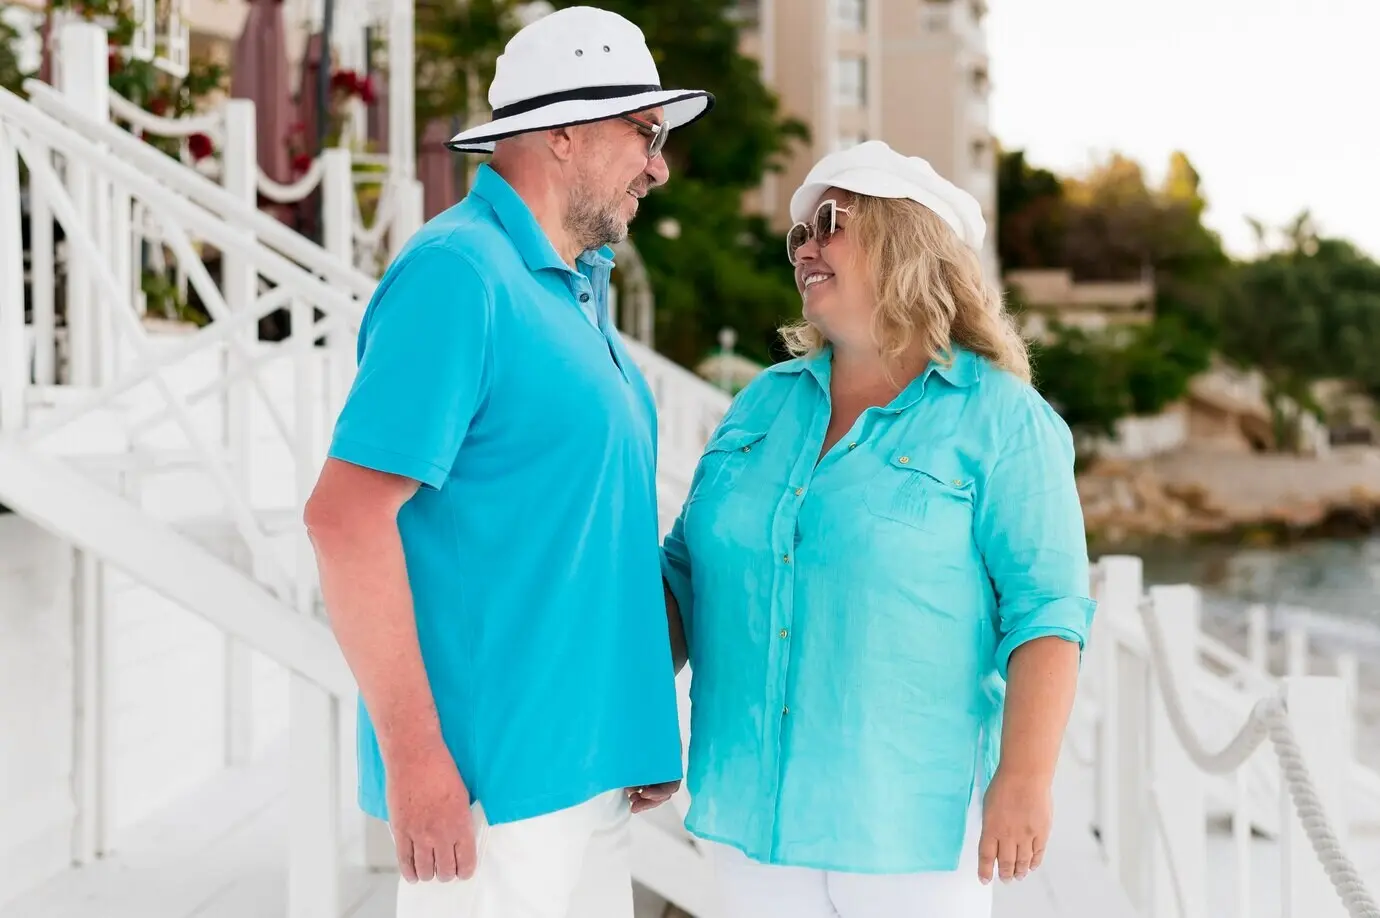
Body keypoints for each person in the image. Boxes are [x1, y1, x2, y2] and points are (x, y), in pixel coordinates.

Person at [302, 7, 714, 918]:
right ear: (563, 131)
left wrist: (636, 723)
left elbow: (578, 533)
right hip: (495, 793)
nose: (661, 164)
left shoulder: (575, 285)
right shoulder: (461, 273)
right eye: (645, 133)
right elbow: (344, 517)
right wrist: (415, 762)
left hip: (586, 773)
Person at [659, 140, 1096, 918]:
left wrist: (1024, 779)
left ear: (908, 242)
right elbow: (686, 576)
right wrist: (630, 719)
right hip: (745, 817)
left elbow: (1047, 615)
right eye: (798, 236)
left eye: (828, 222)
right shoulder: (764, 402)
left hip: (910, 834)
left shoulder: (1003, 419)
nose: (805, 249)